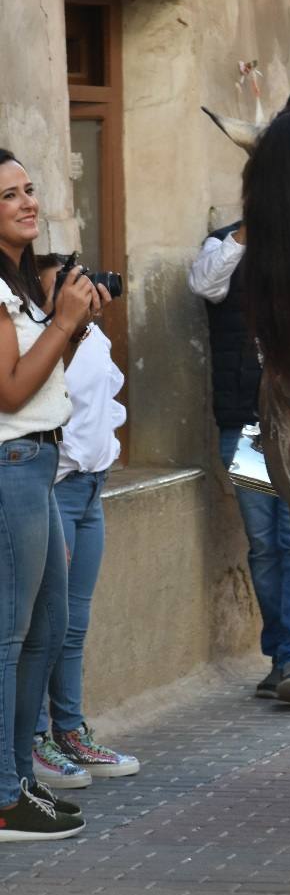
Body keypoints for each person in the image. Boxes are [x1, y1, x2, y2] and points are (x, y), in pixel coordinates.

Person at [0, 148, 99, 839]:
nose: (29, 202)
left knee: (46, 633)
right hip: (10, 469)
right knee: (8, 638)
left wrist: (73, 322)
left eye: (29, 189)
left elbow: (36, 379)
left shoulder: (20, 282)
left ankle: (20, 781)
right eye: (9, 196)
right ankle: (3, 796)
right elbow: (6, 392)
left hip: (40, 465)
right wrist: (62, 324)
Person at [188, 220, 290, 704]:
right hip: (247, 427)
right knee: (265, 545)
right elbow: (204, 283)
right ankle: (279, 655)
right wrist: (246, 232)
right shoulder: (225, 243)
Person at [30, 254, 139, 789]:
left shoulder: (93, 336)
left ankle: (70, 731)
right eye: (64, 286)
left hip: (92, 490)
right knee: (41, 628)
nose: (81, 291)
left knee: (73, 626)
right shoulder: (43, 339)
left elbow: (104, 406)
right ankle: (32, 742)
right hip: (55, 489)